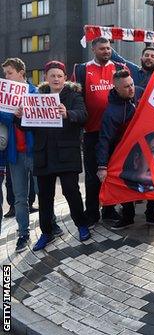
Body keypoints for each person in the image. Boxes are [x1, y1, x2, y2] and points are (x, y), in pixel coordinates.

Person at [14, 61, 90, 251]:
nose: (56, 79)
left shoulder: (73, 96)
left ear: (65, 78)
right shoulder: (37, 97)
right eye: (52, 76)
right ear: (45, 78)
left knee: (71, 191)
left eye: (59, 76)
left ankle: (81, 225)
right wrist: (19, 117)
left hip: (67, 153)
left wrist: (68, 113)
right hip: (44, 154)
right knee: (45, 197)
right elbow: (27, 126)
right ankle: (47, 233)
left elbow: (83, 116)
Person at [96, 70, 154, 229]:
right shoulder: (111, 113)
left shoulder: (140, 92)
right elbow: (104, 140)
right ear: (116, 88)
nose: (131, 89)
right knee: (125, 184)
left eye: (131, 85)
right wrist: (102, 166)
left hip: (149, 148)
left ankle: (152, 214)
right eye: (126, 87)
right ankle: (127, 217)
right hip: (125, 154)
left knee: (153, 181)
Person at [72, 37, 126, 226]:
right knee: (93, 176)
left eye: (108, 48)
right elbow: (74, 97)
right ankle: (92, 213)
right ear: (93, 50)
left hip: (116, 133)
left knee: (111, 174)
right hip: (92, 132)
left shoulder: (119, 67)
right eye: (102, 48)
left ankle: (109, 210)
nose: (106, 51)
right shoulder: (81, 69)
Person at [1, 58, 52, 252]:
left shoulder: (35, 91)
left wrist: (22, 113)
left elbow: (40, 117)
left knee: (43, 193)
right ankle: (23, 234)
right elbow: (2, 115)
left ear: (22, 72)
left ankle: (51, 225)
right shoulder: (3, 96)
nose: (6, 77)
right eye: (5, 73)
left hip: (35, 152)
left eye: (9, 73)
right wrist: (15, 114)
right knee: (20, 198)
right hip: (15, 154)